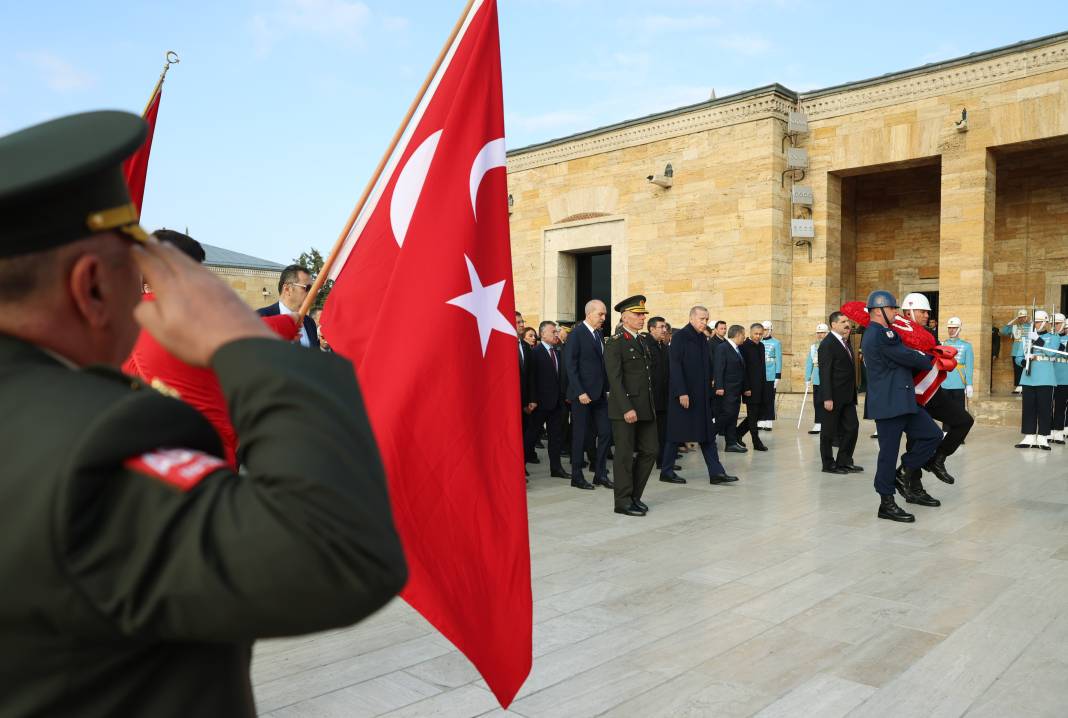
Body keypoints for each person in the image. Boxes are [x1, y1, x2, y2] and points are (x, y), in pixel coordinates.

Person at [0, 111, 407, 717]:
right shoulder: (98, 445)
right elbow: (337, 550)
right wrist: (240, 339)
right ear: (90, 287)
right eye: (134, 278)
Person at [123, 230, 300, 467]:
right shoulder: (182, 312)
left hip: (151, 452)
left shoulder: (128, 318)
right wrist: (290, 322)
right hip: (204, 448)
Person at [862, 290, 944, 522]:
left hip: (902, 399)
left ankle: (904, 472)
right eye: (892, 309)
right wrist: (930, 358)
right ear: (878, 311)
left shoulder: (884, 332)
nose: (896, 313)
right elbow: (906, 356)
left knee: (932, 435)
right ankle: (886, 503)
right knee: (887, 455)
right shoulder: (880, 334)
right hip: (889, 403)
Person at [898, 293, 974, 483]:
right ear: (908, 312)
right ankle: (913, 486)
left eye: (927, 312)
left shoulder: (929, 334)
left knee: (964, 420)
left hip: (932, 390)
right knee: (915, 442)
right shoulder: (899, 335)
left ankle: (937, 459)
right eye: (922, 312)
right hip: (912, 393)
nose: (927, 316)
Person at [665, 306, 738, 484]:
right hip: (685, 396)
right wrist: (682, 392)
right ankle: (666, 471)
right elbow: (675, 366)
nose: (705, 322)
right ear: (691, 318)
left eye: (706, 319)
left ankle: (716, 473)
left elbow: (707, 363)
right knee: (676, 434)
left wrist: (712, 381)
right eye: (701, 319)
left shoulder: (702, 338)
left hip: (702, 396)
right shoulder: (680, 337)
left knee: (707, 435)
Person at [604, 296, 658, 515]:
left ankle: (634, 495)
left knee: (651, 450)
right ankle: (622, 501)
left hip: (645, 406)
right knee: (625, 456)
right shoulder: (615, 342)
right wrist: (627, 407)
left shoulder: (643, 340)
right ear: (625, 317)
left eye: (643, 314)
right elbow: (615, 379)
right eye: (637, 314)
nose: (642, 317)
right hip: (625, 408)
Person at [563, 299, 612, 489]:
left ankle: (599, 473)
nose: (604, 318)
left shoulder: (599, 334)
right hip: (582, 395)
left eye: (605, 314)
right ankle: (577, 476)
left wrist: (607, 389)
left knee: (606, 432)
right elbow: (570, 366)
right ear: (589, 314)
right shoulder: (576, 334)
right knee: (580, 436)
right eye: (601, 314)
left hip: (599, 395)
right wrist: (580, 391)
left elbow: (601, 365)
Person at [818, 312, 862, 474]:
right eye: (843, 321)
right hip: (833, 397)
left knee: (852, 427)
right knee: (828, 432)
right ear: (833, 325)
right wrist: (827, 397)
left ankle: (844, 461)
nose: (847, 324)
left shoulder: (846, 342)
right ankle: (828, 464)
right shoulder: (827, 344)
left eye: (848, 321)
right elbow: (825, 372)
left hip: (848, 396)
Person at [524, 321, 568, 478]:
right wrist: (532, 400)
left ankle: (556, 468)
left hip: (557, 403)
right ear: (542, 334)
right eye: (553, 332)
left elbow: (562, 377)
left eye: (557, 331)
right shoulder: (535, 353)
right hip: (540, 403)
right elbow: (531, 379)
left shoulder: (558, 352)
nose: (556, 334)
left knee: (555, 437)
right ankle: (520, 465)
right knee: (532, 435)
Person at [1015, 310, 1059, 449]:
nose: (1037, 324)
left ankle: (1042, 437)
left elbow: (1051, 352)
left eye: (1040, 321)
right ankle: (1029, 436)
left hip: (1045, 377)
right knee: (1028, 408)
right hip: (1028, 377)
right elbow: (1018, 357)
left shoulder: (1053, 337)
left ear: (1046, 322)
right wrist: (1024, 361)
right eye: (1036, 321)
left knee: (1044, 408)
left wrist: (1038, 340)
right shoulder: (1027, 337)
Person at [257, 265, 319, 348]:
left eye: (314, 288)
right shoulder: (260, 317)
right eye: (308, 288)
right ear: (287, 289)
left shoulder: (310, 323)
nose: (314, 293)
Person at [641, 315, 672, 473]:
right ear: (651, 329)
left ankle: (663, 461)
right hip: (650, 398)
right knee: (650, 433)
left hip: (664, 397)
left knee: (663, 431)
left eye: (665, 327)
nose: (664, 330)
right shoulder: (645, 345)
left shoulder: (663, 346)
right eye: (661, 327)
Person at [713, 324, 750, 453]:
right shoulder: (722, 348)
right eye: (743, 335)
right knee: (727, 415)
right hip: (727, 389)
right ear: (738, 335)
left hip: (736, 389)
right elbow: (719, 368)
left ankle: (731, 443)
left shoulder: (737, 349)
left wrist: (745, 387)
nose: (744, 338)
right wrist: (719, 386)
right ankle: (708, 434)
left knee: (733, 416)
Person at [736, 323, 769, 451]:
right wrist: (746, 388)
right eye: (756, 334)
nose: (758, 336)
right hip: (749, 388)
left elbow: (762, 368)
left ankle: (737, 433)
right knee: (753, 414)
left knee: (757, 414)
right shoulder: (744, 346)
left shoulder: (761, 346)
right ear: (750, 333)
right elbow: (743, 369)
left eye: (761, 334)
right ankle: (756, 442)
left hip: (761, 386)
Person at [940, 317, 973, 415]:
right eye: (949, 328)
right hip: (944, 382)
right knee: (945, 411)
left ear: (959, 329)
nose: (951, 330)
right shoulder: (943, 344)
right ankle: (945, 430)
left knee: (959, 412)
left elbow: (969, 366)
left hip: (959, 382)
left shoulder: (966, 346)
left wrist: (969, 384)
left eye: (954, 328)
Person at [803, 323, 829, 435]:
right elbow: (809, 363)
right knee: (817, 402)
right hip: (817, 378)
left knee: (827, 402)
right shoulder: (813, 347)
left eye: (823, 332)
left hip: (828, 378)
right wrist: (807, 378)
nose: (820, 335)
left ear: (827, 333)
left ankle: (827, 424)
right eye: (818, 333)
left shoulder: (831, 345)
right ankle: (818, 423)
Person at [758, 320, 782, 431]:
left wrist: (778, 376)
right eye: (763, 329)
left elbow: (779, 360)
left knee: (769, 398)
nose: (764, 332)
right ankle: (761, 420)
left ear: (771, 330)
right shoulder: (759, 341)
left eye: (766, 329)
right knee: (761, 398)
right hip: (760, 375)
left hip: (771, 374)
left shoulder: (776, 343)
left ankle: (768, 421)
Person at [1000, 309, 1031, 393]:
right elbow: (1002, 331)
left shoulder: (1030, 326)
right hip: (1016, 350)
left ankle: (1026, 386)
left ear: (1026, 317)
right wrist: (1013, 320)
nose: (1022, 319)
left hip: (1027, 349)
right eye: (1020, 317)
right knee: (1017, 369)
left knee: (1027, 368)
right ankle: (1018, 386)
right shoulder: (1014, 327)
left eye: (1023, 317)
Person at [1053, 314, 1068, 444]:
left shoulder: (1057, 338)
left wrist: (1055, 341)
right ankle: (1047, 431)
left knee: (1060, 406)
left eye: (1058, 323)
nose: (1055, 326)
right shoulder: (1052, 337)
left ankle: (1058, 431)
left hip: (1064, 377)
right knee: (1047, 406)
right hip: (1050, 376)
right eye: (1054, 324)